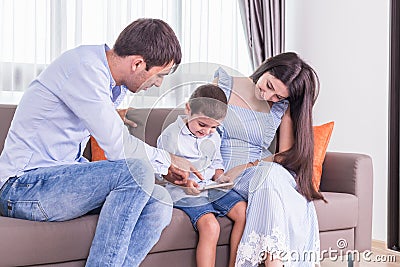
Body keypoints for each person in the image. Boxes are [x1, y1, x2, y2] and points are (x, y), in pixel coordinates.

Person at [0, 18, 202, 267]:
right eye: (159, 75)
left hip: (57, 180)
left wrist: (164, 171)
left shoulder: (109, 82)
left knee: (160, 200)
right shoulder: (84, 69)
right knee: (135, 170)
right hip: (22, 188)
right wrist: (167, 159)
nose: (158, 84)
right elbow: (119, 148)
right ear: (137, 63)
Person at [211, 52, 324, 267]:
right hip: (227, 171)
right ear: (267, 67)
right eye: (270, 86)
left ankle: (274, 262)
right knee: (271, 180)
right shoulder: (224, 83)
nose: (269, 97)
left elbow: (284, 155)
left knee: (274, 178)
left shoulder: (281, 106)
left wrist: (252, 165)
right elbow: (204, 132)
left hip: (262, 170)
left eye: (278, 97)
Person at [157, 84, 247, 267]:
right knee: (211, 226)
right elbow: (162, 171)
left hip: (210, 186)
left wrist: (220, 178)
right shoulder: (171, 136)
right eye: (202, 124)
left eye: (214, 127)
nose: (207, 131)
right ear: (188, 109)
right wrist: (185, 183)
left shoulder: (214, 136)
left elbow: (216, 163)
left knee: (243, 212)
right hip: (182, 191)